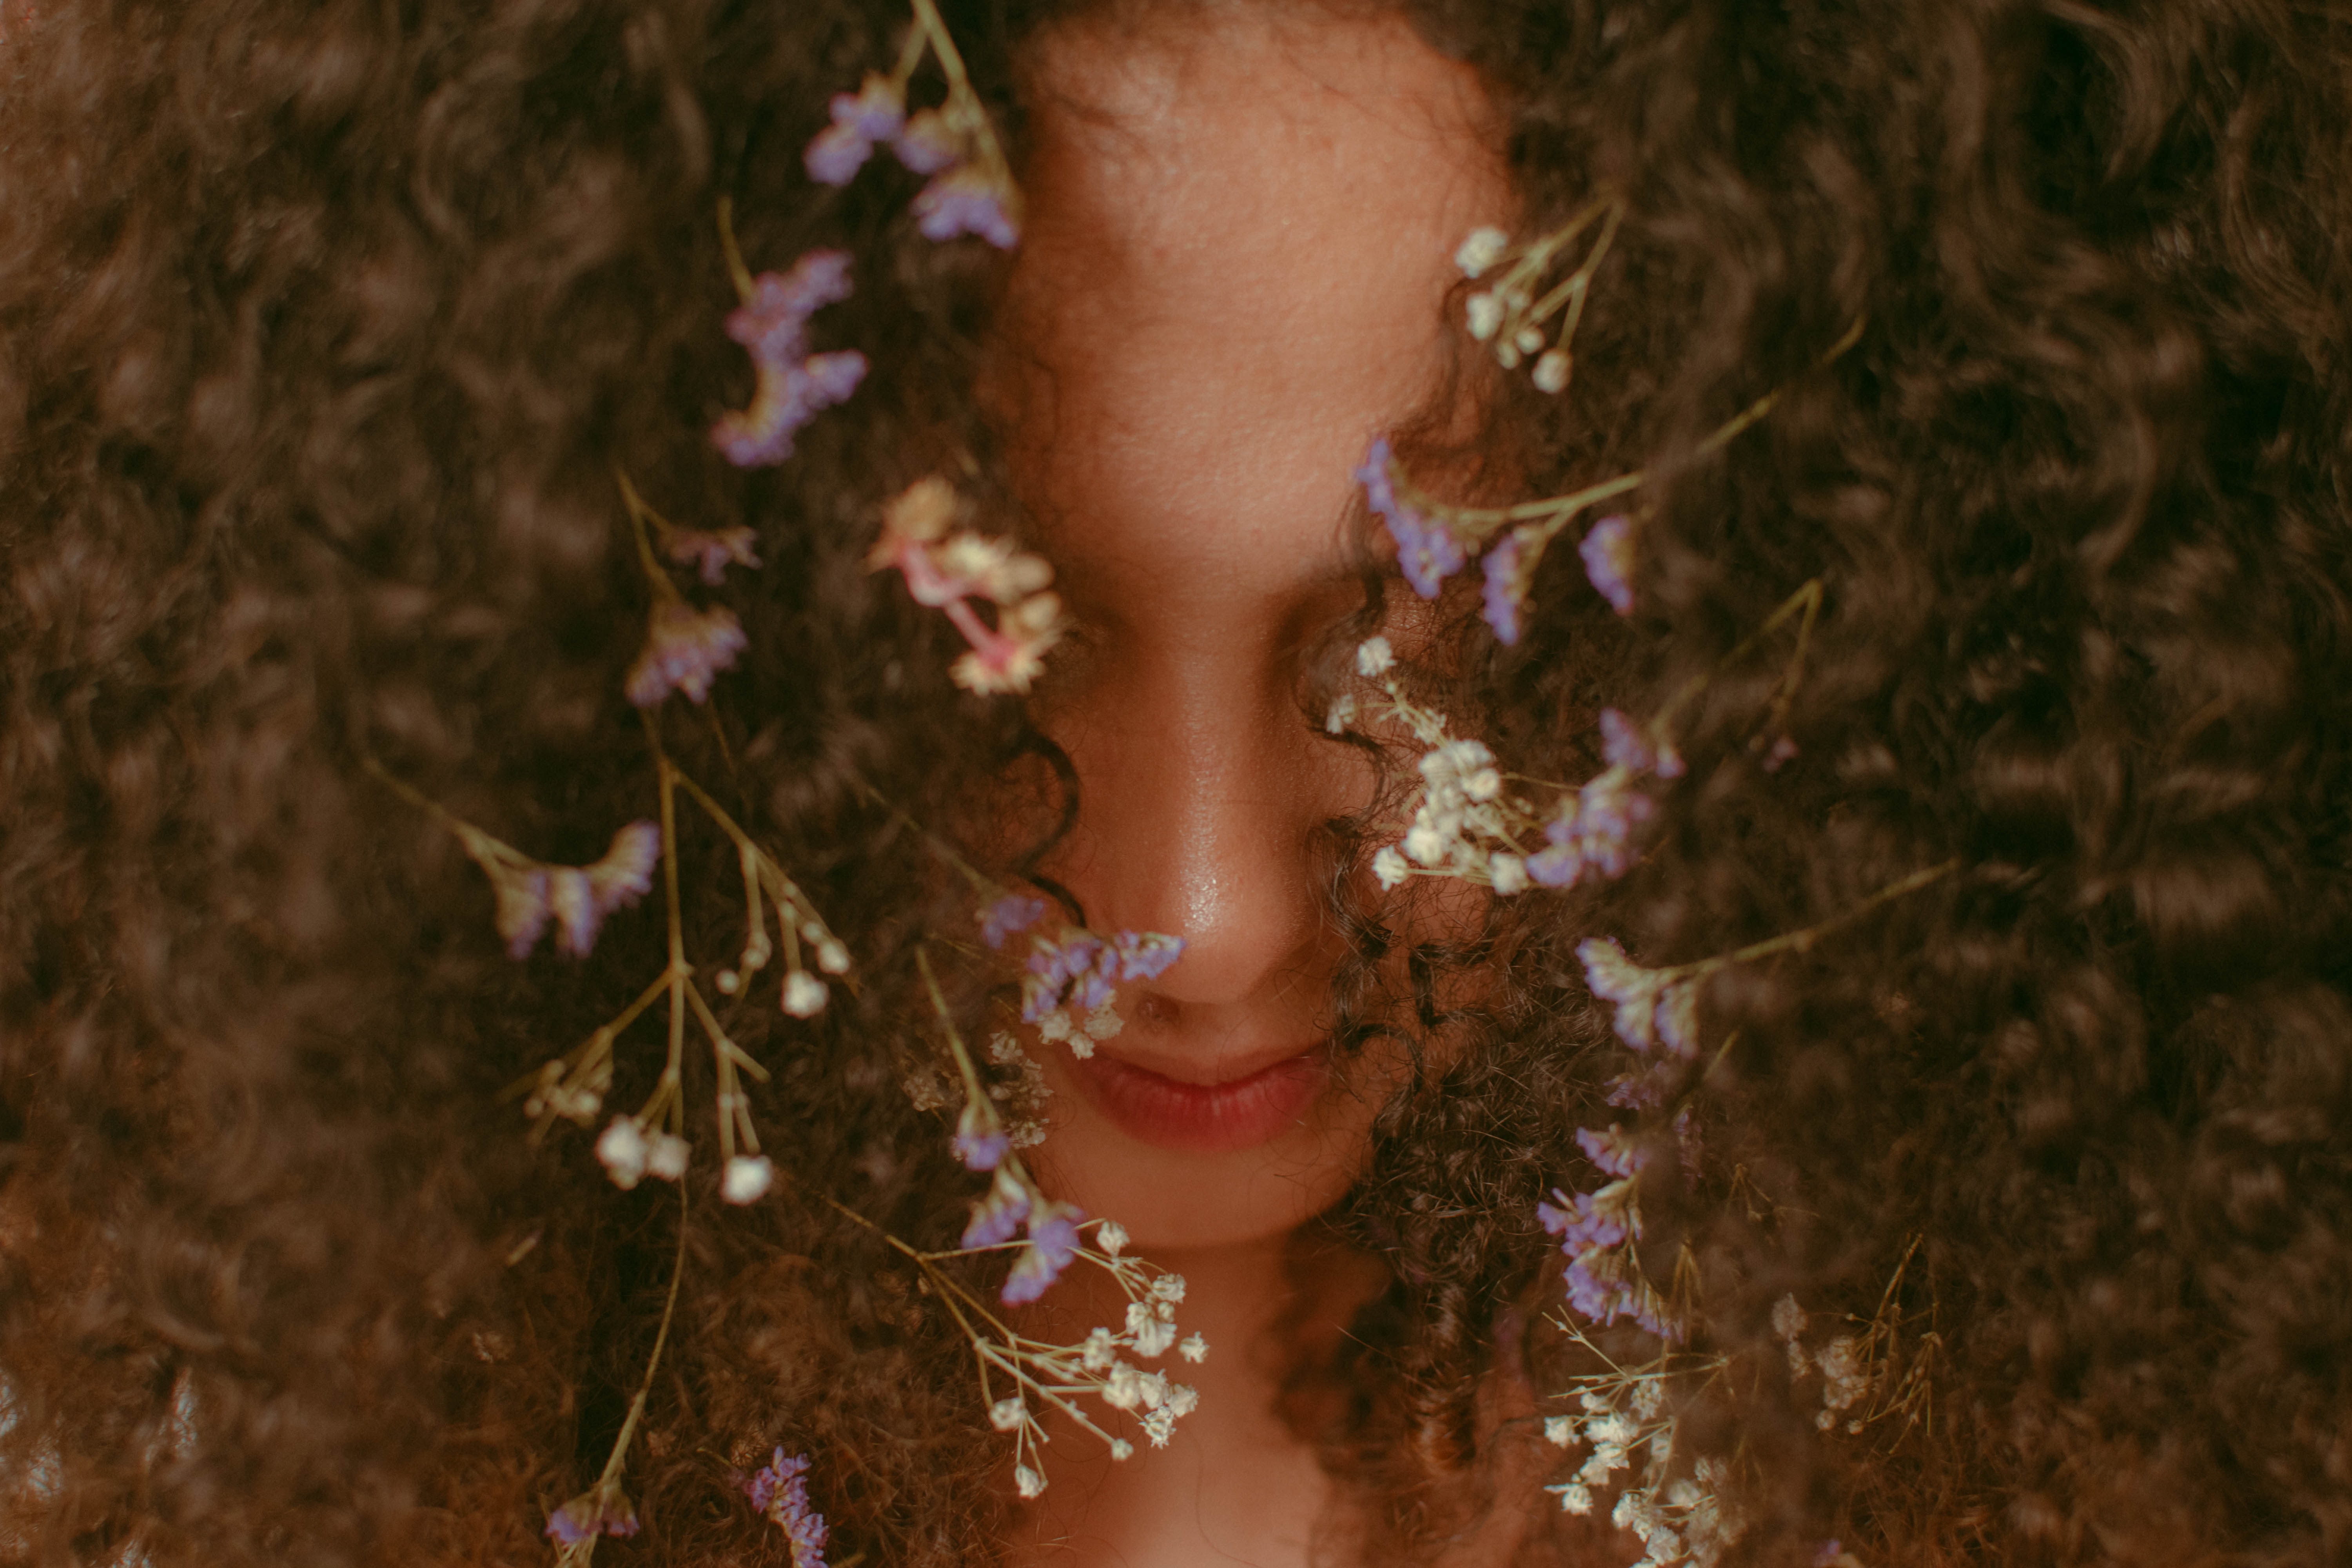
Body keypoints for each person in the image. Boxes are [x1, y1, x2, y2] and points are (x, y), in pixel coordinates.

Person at [1, 0, 2346, 1565]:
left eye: (1413, 637)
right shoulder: (168, 1442)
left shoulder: (2099, 1448)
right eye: (981, 649)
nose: (1211, 918)